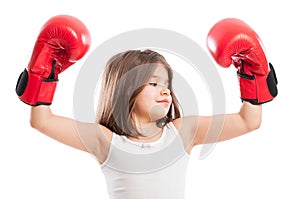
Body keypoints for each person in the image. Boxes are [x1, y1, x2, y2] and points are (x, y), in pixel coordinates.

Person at [15, 15, 278, 199]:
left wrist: (252, 73)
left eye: (166, 84)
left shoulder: (182, 132)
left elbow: (248, 121)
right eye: (153, 83)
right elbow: (42, 121)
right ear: (126, 88)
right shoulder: (106, 141)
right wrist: (43, 72)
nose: (165, 90)